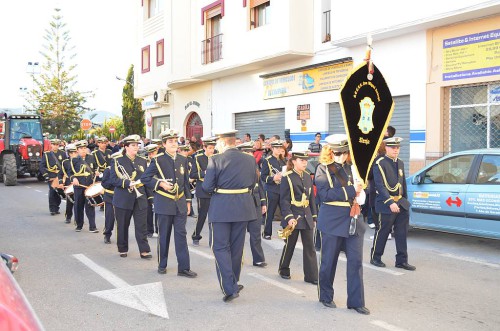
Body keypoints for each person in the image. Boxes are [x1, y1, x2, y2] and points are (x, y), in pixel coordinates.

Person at [314, 134, 369, 314]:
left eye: (344, 153)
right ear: (329, 152)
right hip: (332, 220)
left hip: (353, 219)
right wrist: (352, 190)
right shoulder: (322, 169)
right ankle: (326, 296)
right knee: (328, 262)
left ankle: (356, 301)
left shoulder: (354, 169)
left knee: (356, 262)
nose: (340, 157)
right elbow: (325, 195)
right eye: (336, 153)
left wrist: (361, 193)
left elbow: (361, 194)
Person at [202, 129, 258, 302]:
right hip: (243, 208)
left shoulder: (215, 160)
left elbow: (207, 187)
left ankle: (229, 287)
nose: (216, 146)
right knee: (236, 247)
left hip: (222, 208)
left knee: (219, 247)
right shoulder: (250, 159)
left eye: (218, 142)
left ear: (224, 143)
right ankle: (233, 281)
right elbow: (254, 182)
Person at [141, 129, 197, 278]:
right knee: (164, 236)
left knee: (181, 236)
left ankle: (183, 268)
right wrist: (160, 184)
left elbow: (185, 183)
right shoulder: (157, 160)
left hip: (179, 203)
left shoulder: (182, 159)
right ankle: (162, 264)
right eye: (170, 141)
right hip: (164, 203)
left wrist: (188, 200)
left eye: (175, 140)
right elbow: (145, 178)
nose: (174, 143)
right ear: (164, 144)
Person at [370, 137, 415, 271]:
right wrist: (390, 202)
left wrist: (404, 201)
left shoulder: (400, 162)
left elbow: (402, 183)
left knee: (402, 232)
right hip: (385, 203)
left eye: (397, 148)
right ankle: (375, 257)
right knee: (383, 231)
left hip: (400, 202)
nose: (396, 150)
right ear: (386, 148)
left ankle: (401, 261)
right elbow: (379, 185)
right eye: (392, 147)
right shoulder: (380, 163)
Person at [109, 135, 152, 259]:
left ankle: (144, 250)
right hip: (123, 197)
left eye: (137, 145)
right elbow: (113, 179)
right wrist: (127, 183)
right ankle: (122, 248)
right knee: (122, 224)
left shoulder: (142, 161)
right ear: (126, 146)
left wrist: (150, 197)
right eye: (133, 145)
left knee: (141, 225)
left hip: (140, 196)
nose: (136, 147)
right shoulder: (117, 160)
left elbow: (146, 180)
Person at [278, 152, 318, 284]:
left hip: (306, 215)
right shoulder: (287, 177)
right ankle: (284, 269)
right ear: (294, 161)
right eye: (302, 160)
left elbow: (311, 198)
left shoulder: (307, 176)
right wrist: (289, 217)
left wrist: (314, 216)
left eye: (306, 160)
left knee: (310, 247)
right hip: (293, 216)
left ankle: (311, 276)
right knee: (290, 245)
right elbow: (284, 200)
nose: (305, 163)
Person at [237, 141, 267, 268]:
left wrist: (263, 202)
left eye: (251, 152)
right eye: (247, 152)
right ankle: (237, 259)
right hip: (242, 202)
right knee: (239, 234)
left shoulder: (254, 164)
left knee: (255, 232)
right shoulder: (237, 167)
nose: (250, 154)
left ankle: (258, 258)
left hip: (255, 203)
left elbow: (259, 185)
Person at [189, 136, 217, 246]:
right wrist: (205, 173)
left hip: (215, 190)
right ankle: (196, 235)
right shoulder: (198, 158)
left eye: (213, 148)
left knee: (215, 216)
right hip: (202, 190)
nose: (211, 150)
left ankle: (214, 238)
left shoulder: (217, 157)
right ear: (204, 147)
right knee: (202, 215)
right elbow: (193, 174)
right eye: (209, 148)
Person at [69, 140, 99, 232]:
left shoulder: (91, 157)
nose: (83, 150)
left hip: (89, 185)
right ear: (77, 150)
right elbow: (70, 173)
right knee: (78, 206)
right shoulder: (74, 160)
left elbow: (95, 168)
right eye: (81, 148)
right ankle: (79, 225)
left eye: (84, 148)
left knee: (90, 205)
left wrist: (97, 172)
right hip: (79, 186)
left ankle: (92, 226)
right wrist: (73, 178)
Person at [260, 140, 287, 240]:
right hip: (271, 189)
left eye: (280, 148)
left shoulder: (283, 160)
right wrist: (273, 179)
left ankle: (285, 233)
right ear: (272, 149)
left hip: (283, 189)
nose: (279, 150)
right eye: (277, 148)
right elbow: (263, 177)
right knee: (270, 212)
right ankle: (267, 233)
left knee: (285, 212)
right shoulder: (267, 160)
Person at [40, 138, 66, 215]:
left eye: (57, 145)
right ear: (51, 145)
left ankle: (57, 207)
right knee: (52, 192)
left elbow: (66, 164)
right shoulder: (47, 154)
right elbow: (42, 165)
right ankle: (52, 208)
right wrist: (46, 175)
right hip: (51, 175)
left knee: (59, 192)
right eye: (54, 144)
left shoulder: (63, 153)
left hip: (60, 175)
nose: (55, 146)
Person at [100, 151, 122, 244]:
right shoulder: (108, 170)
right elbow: (104, 184)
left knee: (121, 219)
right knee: (110, 218)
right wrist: (113, 181)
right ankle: (107, 234)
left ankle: (121, 238)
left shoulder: (124, 170)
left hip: (121, 196)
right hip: (110, 196)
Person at [144, 144, 160, 238]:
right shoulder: (145, 163)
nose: (152, 155)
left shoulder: (159, 161)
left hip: (157, 188)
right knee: (148, 212)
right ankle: (149, 230)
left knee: (158, 211)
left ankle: (158, 229)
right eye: (150, 153)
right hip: (148, 189)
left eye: (154, 153)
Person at [59, 143, 77, 224]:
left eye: (75, 152)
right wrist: (60, 182)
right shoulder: (65, 162)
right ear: (68, 153)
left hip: (79, 183)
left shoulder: (80, 161)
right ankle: (68, 216)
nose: (73, 154)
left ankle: (78, 219)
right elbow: (60, 173)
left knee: (79, 202)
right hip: (69, 183)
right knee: (70, 202)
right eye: (71, 153)